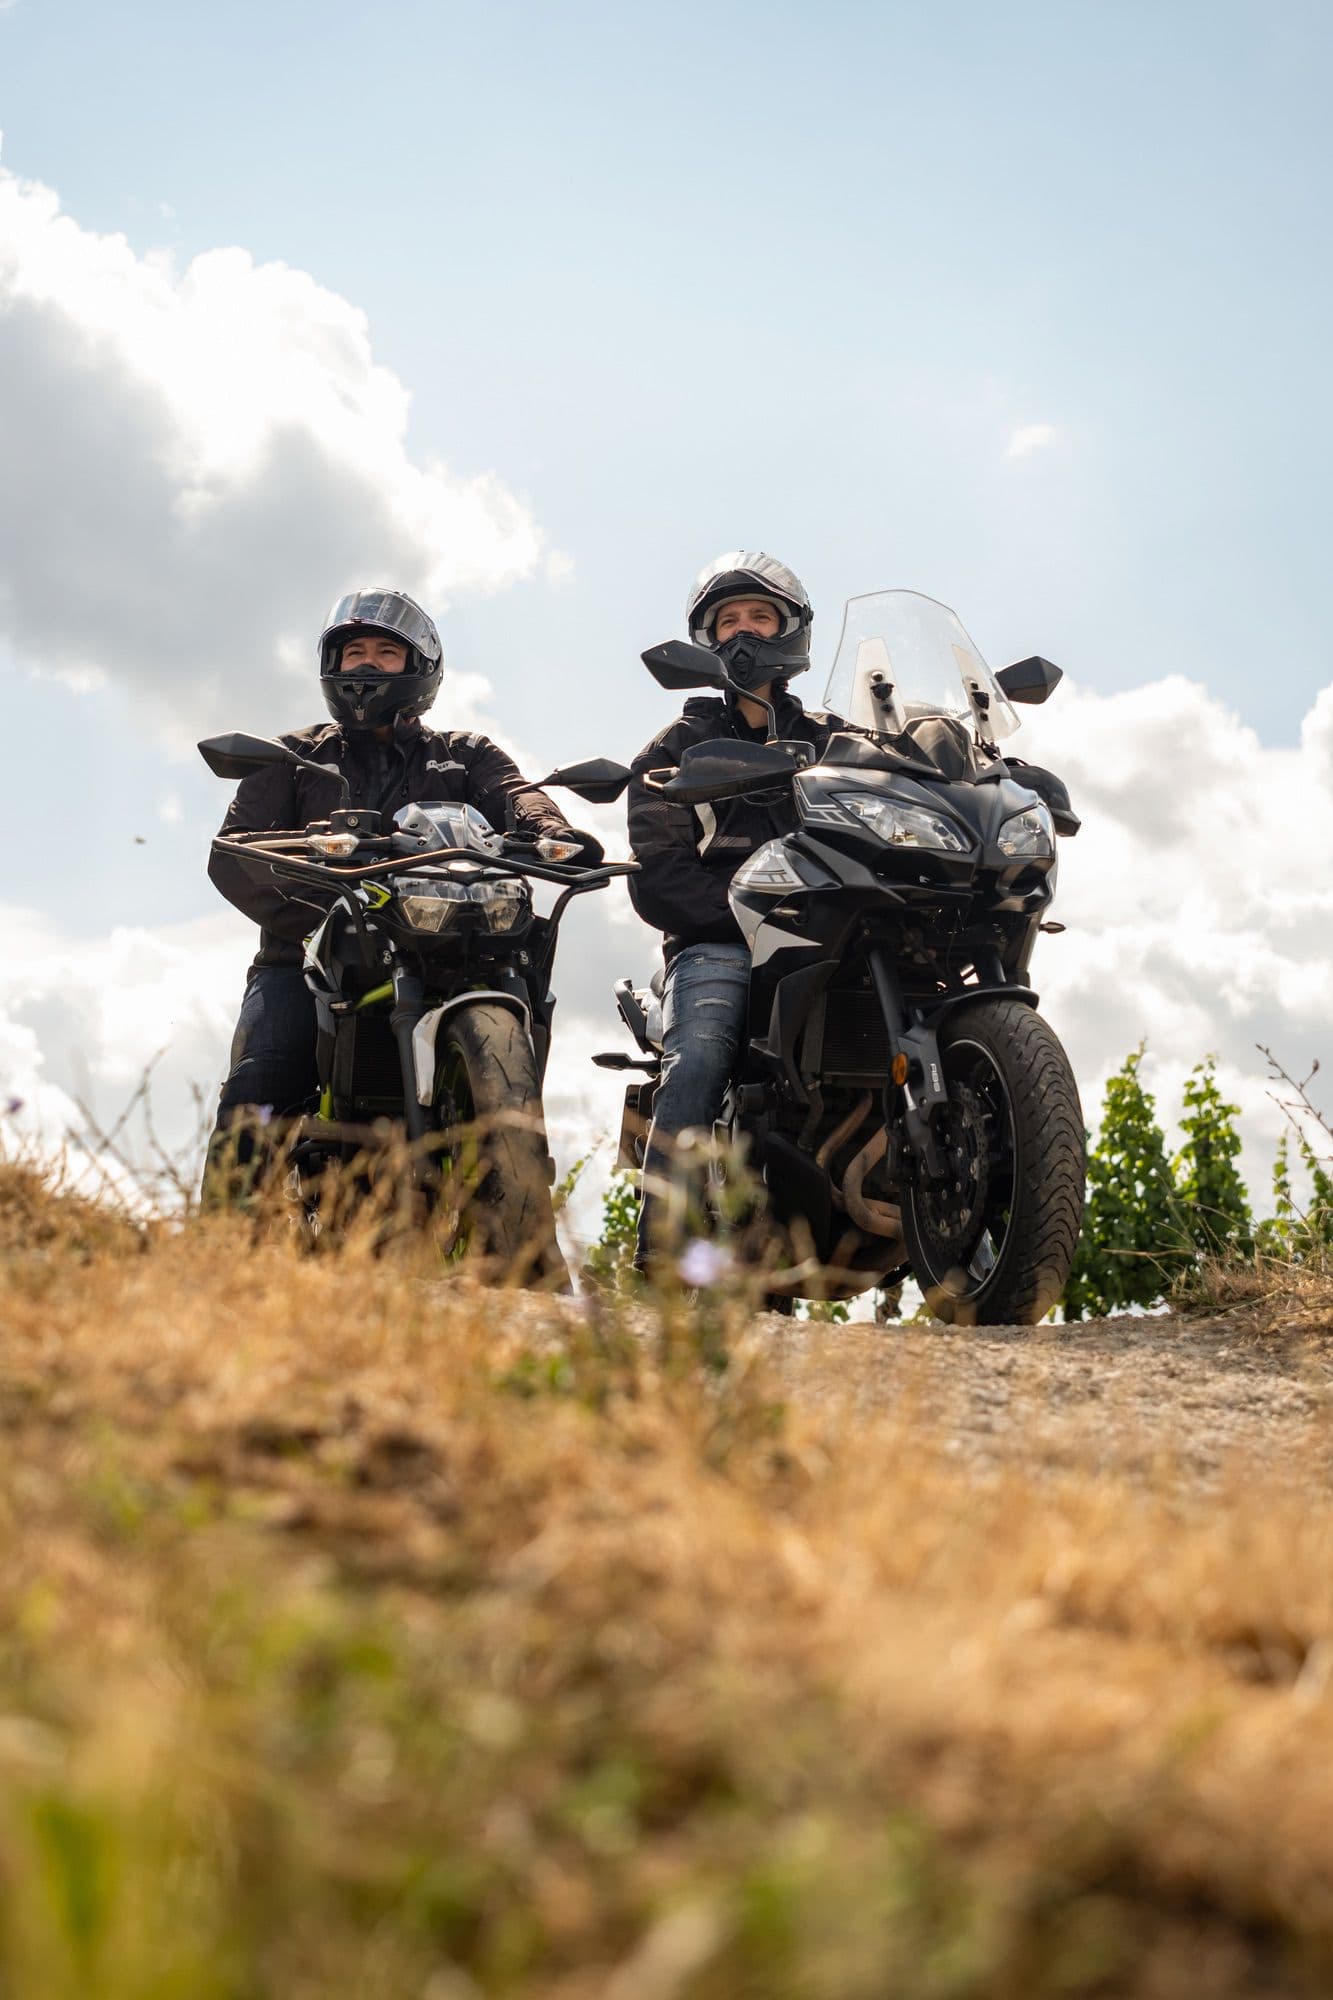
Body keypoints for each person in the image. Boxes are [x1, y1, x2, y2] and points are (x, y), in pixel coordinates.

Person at [204, 587, 601, 1196]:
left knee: (521, 992)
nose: (364, 665)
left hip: (445, 950)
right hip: (306, 961)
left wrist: (551, 830)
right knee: (258, 1090)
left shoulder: (464, 755)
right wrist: (323, 922)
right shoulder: (291, 756)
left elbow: (515, 792)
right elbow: (234, 855)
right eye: (352, 652)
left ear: (420, 667)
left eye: (385, 653)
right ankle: (218, 1261)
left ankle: (521, 1232)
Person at [625, 551, 848, 1270]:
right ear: (706, 641)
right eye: (727, 621)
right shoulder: (677, 746)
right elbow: (657, 875)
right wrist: (748, 919)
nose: (744, 631)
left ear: (790, 630)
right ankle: (658, 1257)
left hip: (843, 928)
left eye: (759, 615)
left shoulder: (841, 741)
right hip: (722, 941)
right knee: (699, 1059)